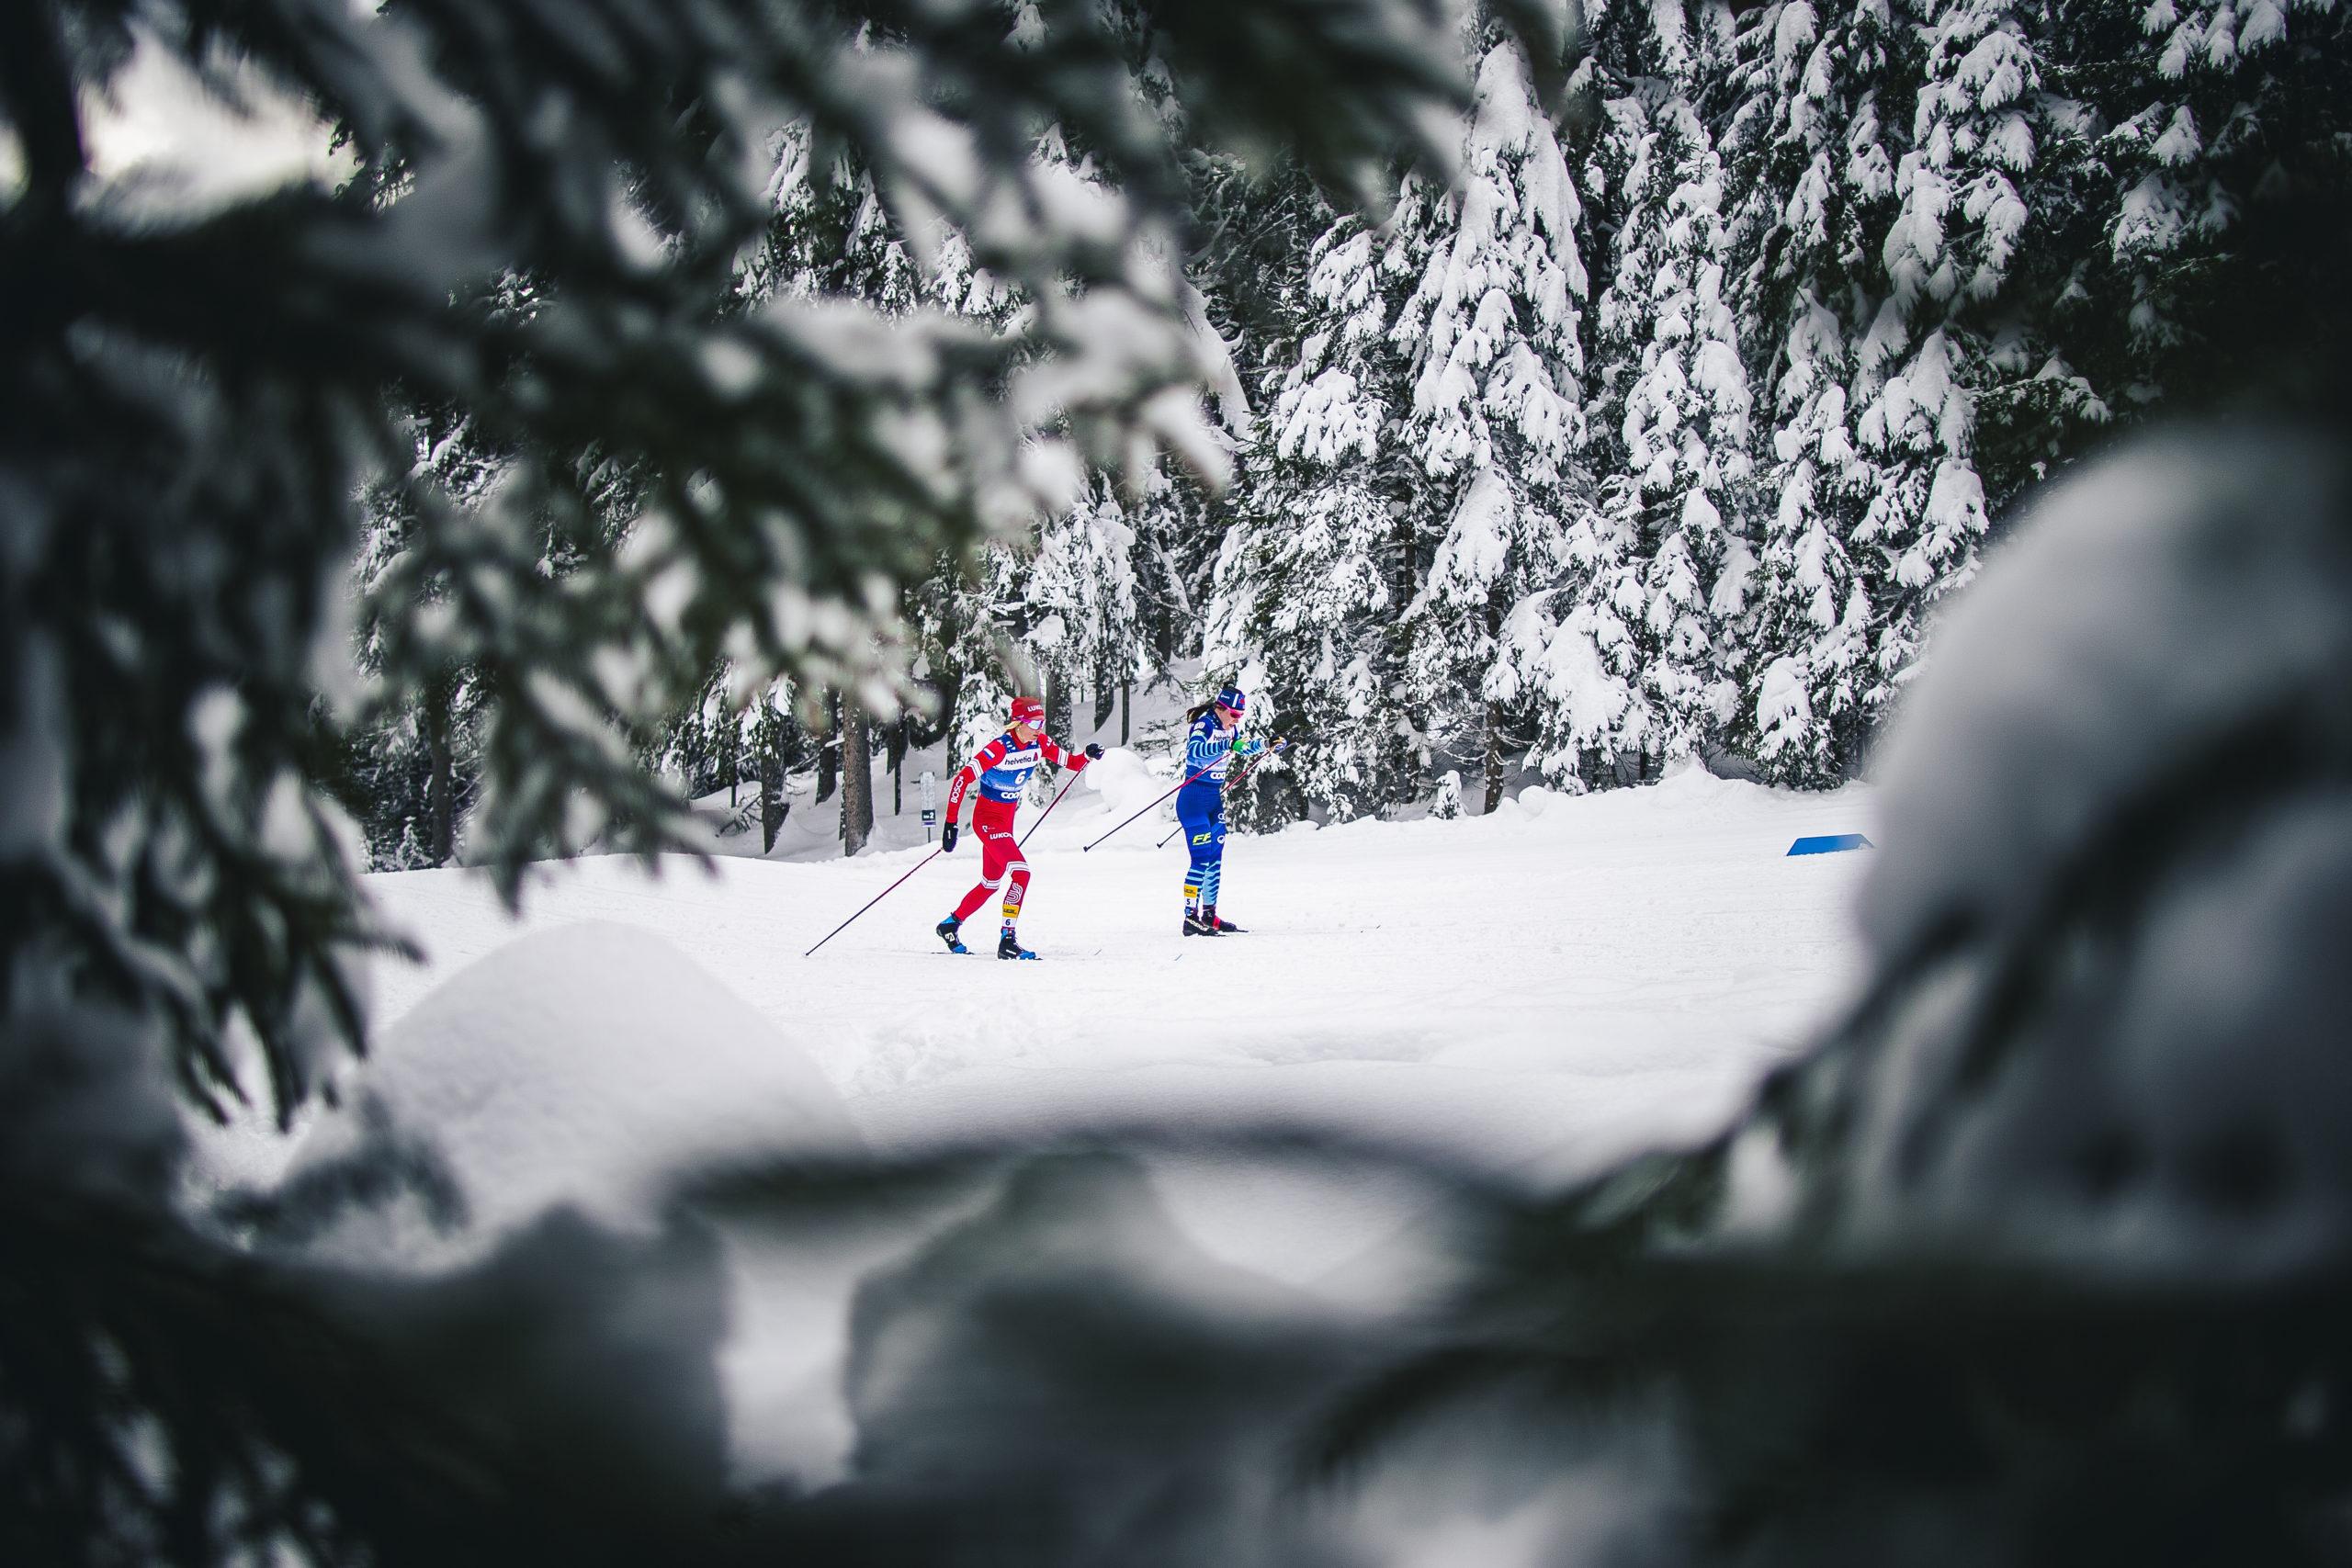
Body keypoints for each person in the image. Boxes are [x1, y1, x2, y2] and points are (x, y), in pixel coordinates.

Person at [936, 695, 1102, 959]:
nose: (1039, 728)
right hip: (987, 820)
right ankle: (1007, 940)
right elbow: (961, 779)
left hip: (1006, 821)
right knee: (1021, 874)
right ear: (1018, 723)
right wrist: (951, 823)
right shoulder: (998, 749)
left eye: (1042, 722)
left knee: (990, 884)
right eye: (1034, 722)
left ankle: (950, 924)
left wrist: (1088, 755)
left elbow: (1071, 762)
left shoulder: (1041, 743)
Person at [1176, 684, 1263, 936]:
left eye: (1240, 716)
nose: (1236, 720)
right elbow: (1195, 751)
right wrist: (1226, 747)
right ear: (1221, 708)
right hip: (1193, 800)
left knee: (1215, 857)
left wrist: (1267, 744)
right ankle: (1190, 918)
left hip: (1213, 801)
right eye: (1234, 715)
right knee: (1201, 857)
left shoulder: (1229, 728)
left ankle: (1209, 915)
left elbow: (1242, 746)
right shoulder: (1205, 724)